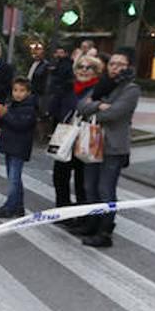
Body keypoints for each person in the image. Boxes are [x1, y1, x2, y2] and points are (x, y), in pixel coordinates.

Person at [74, 48, 141, 248]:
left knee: (105, 189)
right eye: (112, 64)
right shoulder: (102, 85)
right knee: (90, 187)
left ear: (129, 67)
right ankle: (92, 223)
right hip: (93, 145)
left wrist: (96, 107)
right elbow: (81, 107)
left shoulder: (131, 89)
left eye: (120, 64)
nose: (115, 68)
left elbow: (113, 114)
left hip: (113, 147)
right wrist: (97, 106)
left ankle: (105, 230)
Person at [53, 55, 102, 233]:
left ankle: (82, 217)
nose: (83, 70)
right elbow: (56, 107)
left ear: (96, 72)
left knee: (83, 182)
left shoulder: (99, 90)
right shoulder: (67, 87)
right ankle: (63, 212)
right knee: (60, 176)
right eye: (80, 66)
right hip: (66, 136)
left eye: (88, 67)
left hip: (85, 139)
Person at [0, 76, 38, 218]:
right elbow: (1, 123)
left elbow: (20, 125)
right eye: (15, 90)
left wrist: (5, 115)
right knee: (13, 177)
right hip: (9, 144)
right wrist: (0, 113)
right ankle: (18, 206)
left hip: (19, 146)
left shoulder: (29, 108)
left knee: (14, 178)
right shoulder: (12, 104)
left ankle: (10, 206)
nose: (18, 93)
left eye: (22, 91)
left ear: (28, 92)